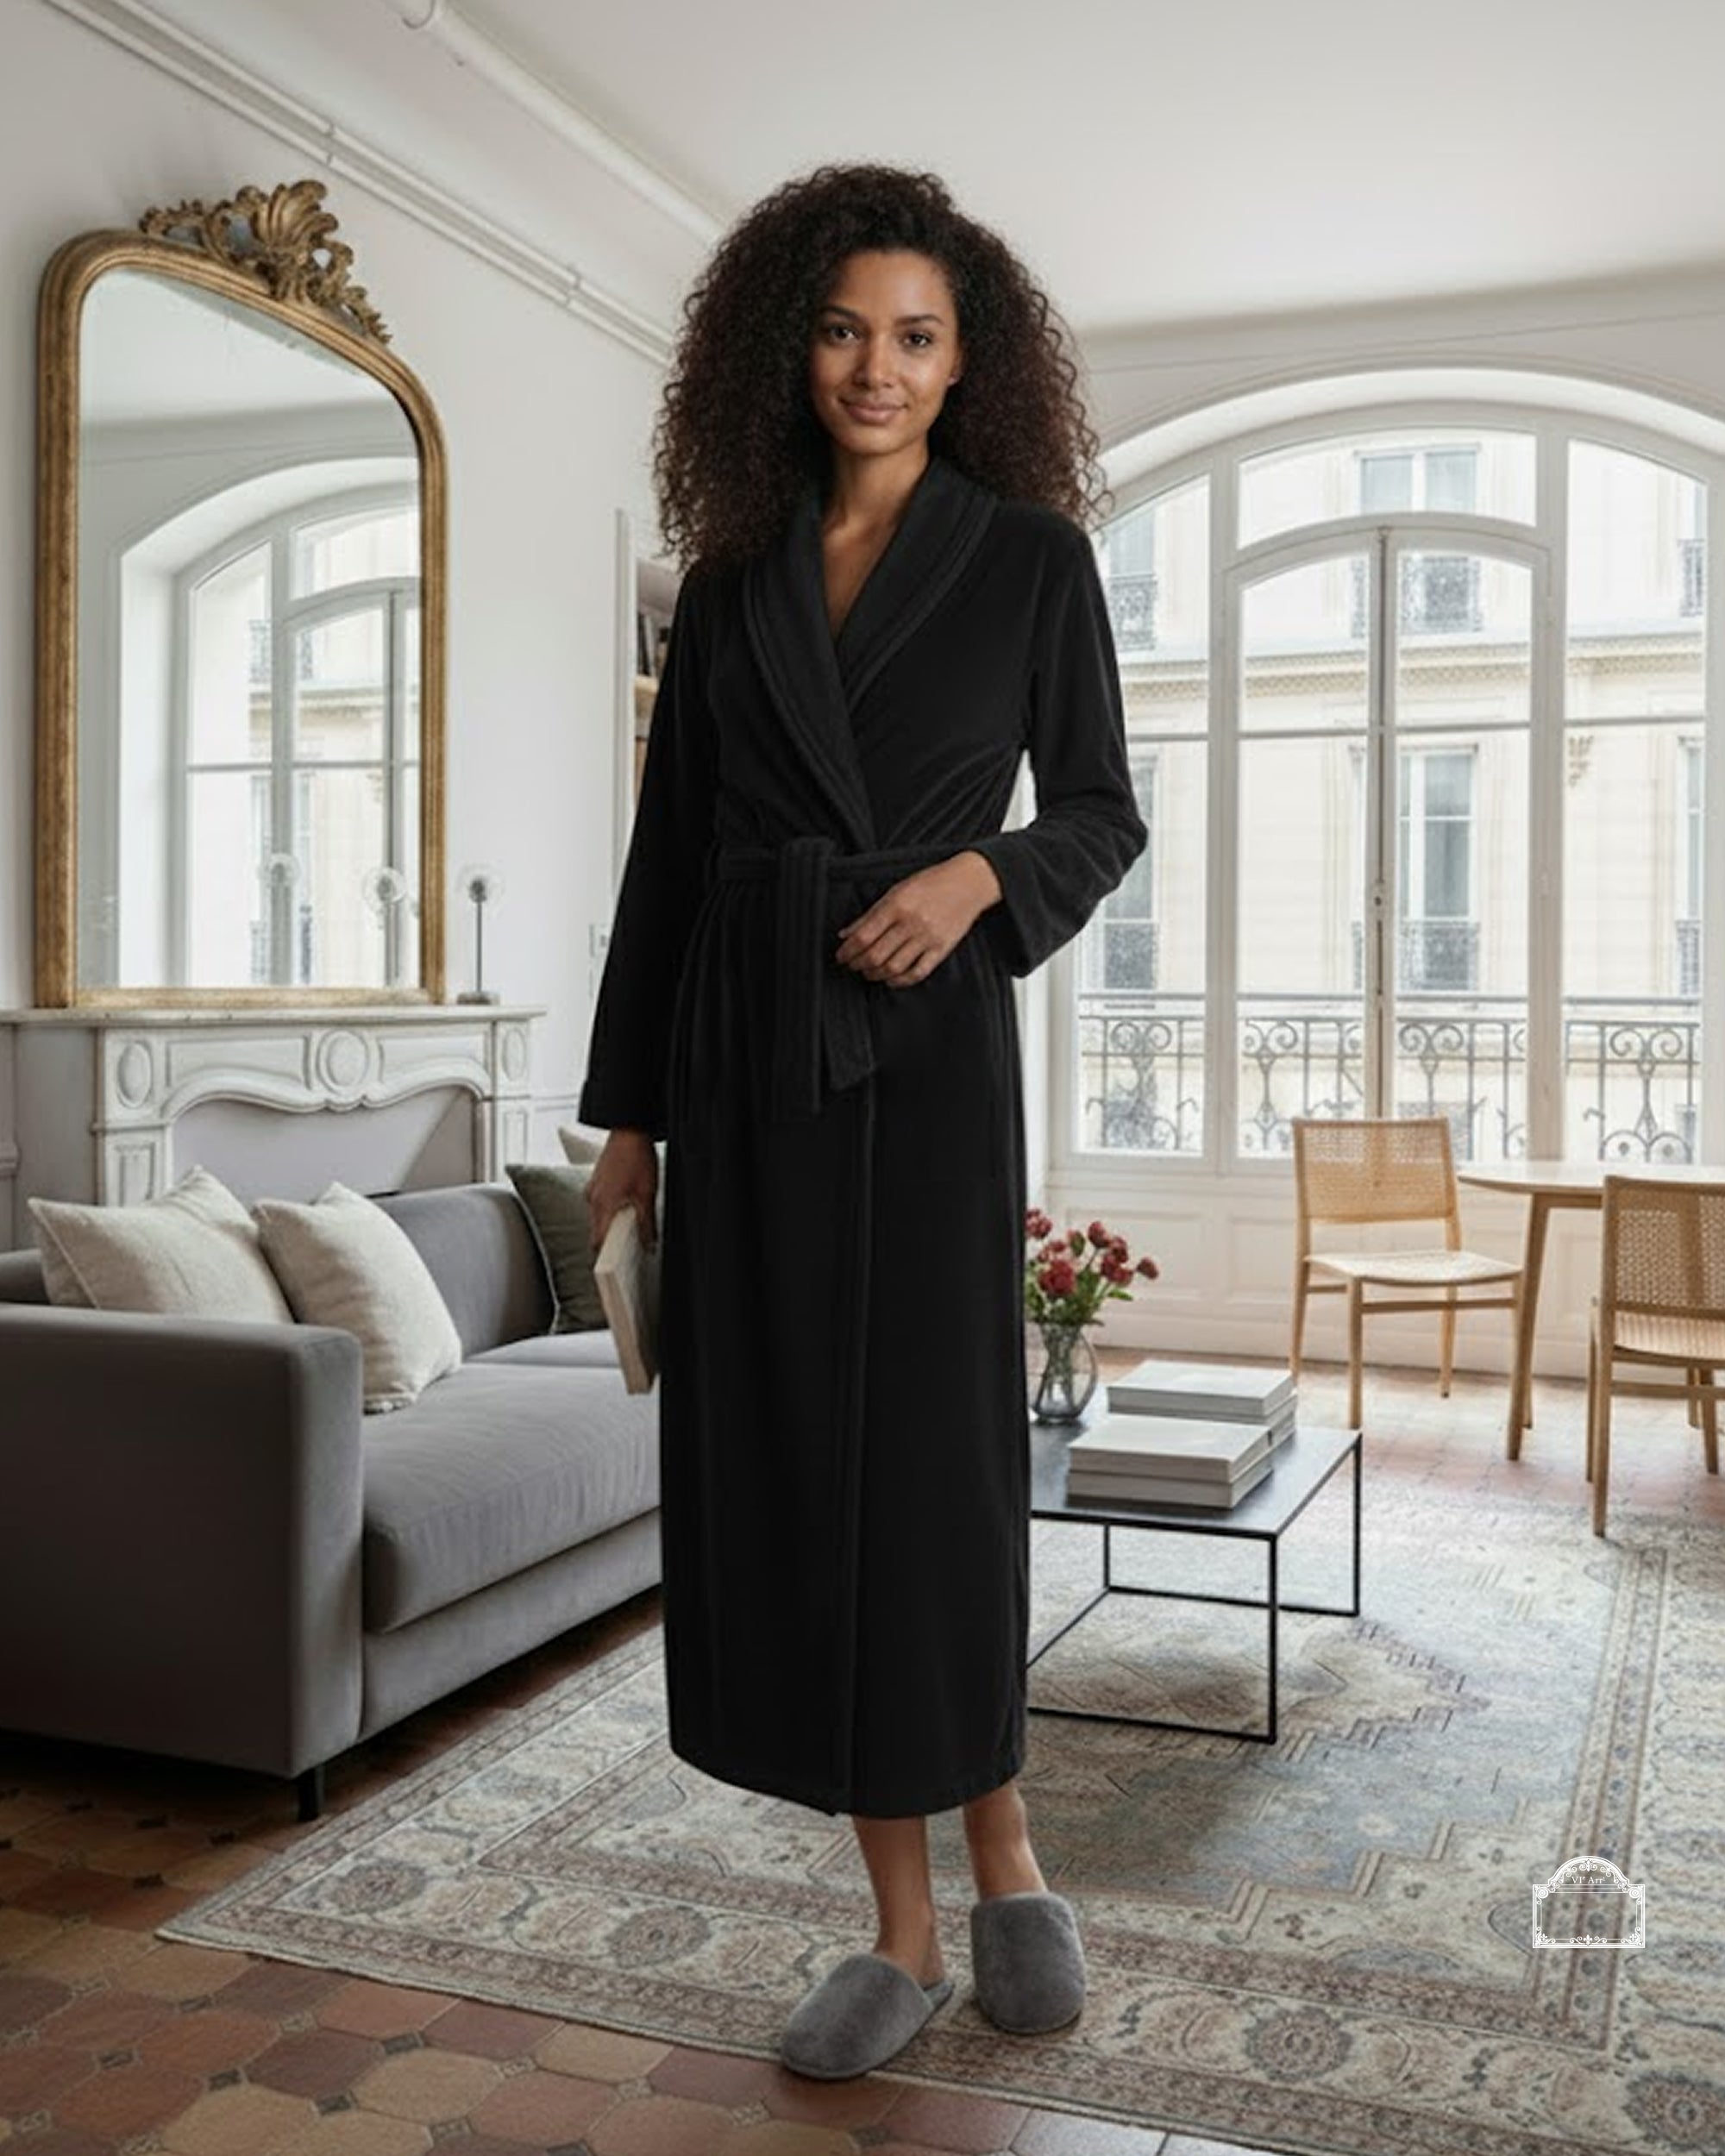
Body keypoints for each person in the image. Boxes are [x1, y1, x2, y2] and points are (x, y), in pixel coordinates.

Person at [578, 162, 1147, 2079]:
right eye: (840, 330)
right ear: (781, 347)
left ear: (968, 356)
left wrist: (977, 883)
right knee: (799, 1479)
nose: (874, 366)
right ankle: (906, 1925)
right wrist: (631, 1122)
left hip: (919, 1062)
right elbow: (665, 867)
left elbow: (1096, 809)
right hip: (743, 1070)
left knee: (932, 1477)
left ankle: (1011, 1855)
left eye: (913, 334)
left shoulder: (1030, 559)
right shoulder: (729, 585)